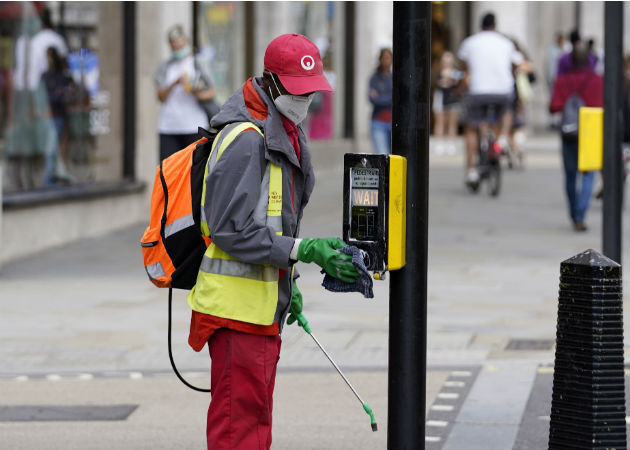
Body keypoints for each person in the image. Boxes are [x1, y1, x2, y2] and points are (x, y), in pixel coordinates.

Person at [185, 33, 359, 450]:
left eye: (311, 91)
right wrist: (303, 250)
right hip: (236, 314)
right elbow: (230, 230)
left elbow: (274, 219)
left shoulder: (281, 131)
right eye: (297, 91)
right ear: (270, 82)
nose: (305, 100)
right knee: (239, 432)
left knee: (253, 424)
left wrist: (288, 282)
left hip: (259, 309)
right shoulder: (246, 139)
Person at [457, 12, 524, 186]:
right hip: (502, 90)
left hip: (478, 90)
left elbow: (463, 66)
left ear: (481, 26)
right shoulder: (506, 42)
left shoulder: (470, 42)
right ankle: (502, 138)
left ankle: (471, 170)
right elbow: (518, 63)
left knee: (471, 128)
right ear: (495, 25)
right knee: (506, 112)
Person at [550, 42, 603, 232]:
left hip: (569, 132)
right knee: (588, 175)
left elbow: (554, 106)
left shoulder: (562, 80)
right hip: (591, 132)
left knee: (570, 176)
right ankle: (580, 214)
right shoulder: (598, 80)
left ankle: (574, 214)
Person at [154, 25, 216, 161]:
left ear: (186, 41)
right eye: (173, 45)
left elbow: (211, 92)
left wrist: (196, 91)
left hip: (194, 125)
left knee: (194, 170)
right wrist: (175, 83)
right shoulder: (166, 66)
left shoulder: (198, 63)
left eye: (179, 44)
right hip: (168, 126)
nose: (177, 47)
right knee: (168, 171)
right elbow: (160, 96)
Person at [432, 51, 463, 155]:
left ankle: (451, 143)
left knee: (452, 122)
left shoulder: (456, 72)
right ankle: (439, 143)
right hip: (440, 98)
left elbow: (458, 83)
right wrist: (449, 81)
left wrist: (448, 82)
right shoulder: (437, 72)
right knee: (440, 121)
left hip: (452, 98)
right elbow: (438, 83)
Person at [368, 47, 393, 155]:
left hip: (392, 122)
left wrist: (381, 97)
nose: (386, 61)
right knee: (383, 155)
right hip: (378, 122)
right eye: (384, 58)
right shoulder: (374, 78)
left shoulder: (394, 78)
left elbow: (396, 99)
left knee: (394, 157)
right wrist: (389, 98)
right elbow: (372, 99)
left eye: (388, 58)